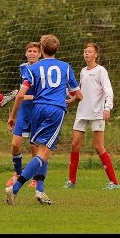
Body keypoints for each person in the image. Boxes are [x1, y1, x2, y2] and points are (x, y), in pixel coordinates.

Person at [5, 34, 83, 205]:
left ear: (41, 49)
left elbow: (20, 95)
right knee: (44, 153)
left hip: (37, 110)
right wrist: (70, 102)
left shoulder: (32, 69)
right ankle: (16, 188)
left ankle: (40, 190)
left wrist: (12, 116)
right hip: (54, 110)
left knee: (43, 151)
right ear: (57, 49)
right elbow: (79, 95)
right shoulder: (65, 67)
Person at [63, 42, 120, 190]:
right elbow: (80, 92)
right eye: (85, 51)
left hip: (97, 113)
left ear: (96, 54)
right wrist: (71, 99)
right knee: (75, 144)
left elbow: (109, 91)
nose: (86, 53)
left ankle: (114, 182)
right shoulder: (83, 71)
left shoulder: (101, 71)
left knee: (98, 146)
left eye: (89, 51)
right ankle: (71, 181)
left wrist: (107, 108)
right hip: (82, 112)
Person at [5, 41, 42, 189]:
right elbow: (23, 89)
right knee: (15, 145)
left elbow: (43, 95)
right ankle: (18, 174)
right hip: (23, 112)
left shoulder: (42, 69)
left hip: (37, 112)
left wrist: (24, 97)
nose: (32, 53)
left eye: (35, 51)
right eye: (30, 51)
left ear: (40, 54)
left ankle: (35, 178)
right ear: (26, 53)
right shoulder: (22, 68)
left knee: (34, 147)